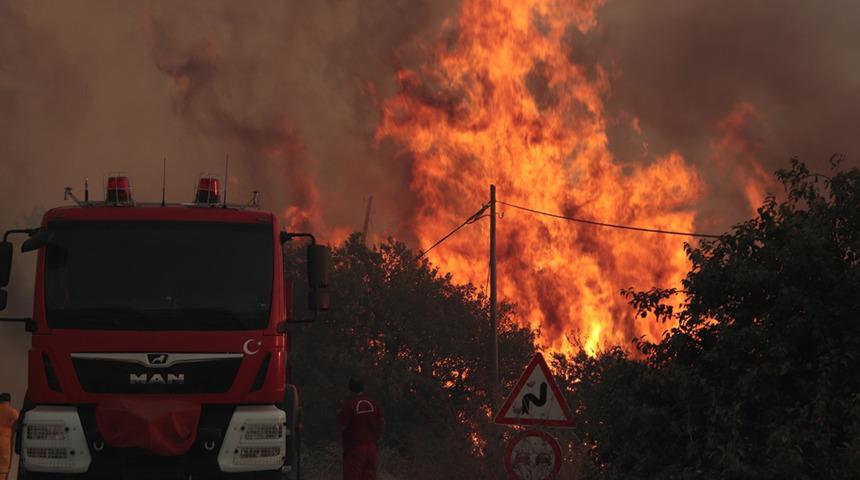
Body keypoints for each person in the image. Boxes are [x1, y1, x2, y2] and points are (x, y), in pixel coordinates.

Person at [336, 378, 384, 480]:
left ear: (350, 389)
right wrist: (377, 438)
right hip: (371, 448)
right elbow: (382, 422)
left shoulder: (349, 404)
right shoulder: (373, 403)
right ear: (363, 388)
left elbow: (342, 426)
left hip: (355, 448)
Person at [0, 393, 18, 480]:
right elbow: (17, 421)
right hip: (5, 440)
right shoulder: (12, 411)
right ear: (9, 400)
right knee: (4, 465)